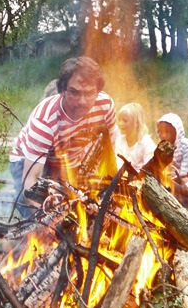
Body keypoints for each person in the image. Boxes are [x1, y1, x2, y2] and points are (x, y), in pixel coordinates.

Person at [9, 56, 117, 218]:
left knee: (74, 211)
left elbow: (109, 149)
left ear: (98, 91)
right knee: (40, 220)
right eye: (74, 92)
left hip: (66, 160)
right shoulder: (45, 120)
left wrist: (110, 186)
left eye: (89, 93)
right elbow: (30, 180)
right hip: (27, 163)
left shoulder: (105, 106)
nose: (82, 101)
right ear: (62, 90)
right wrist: (44, 222)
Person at [114, 102, 156, 170]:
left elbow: (150, 168)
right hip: (122, 178)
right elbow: (118, 165)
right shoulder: (119, 141)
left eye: (125, 120)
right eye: (119, 120)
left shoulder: (146, 143)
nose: (120, 123)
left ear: (137, 123)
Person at [155, 113, 188, 178]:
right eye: (161, 132)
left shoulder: (186, 146)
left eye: (167, 132)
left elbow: (185, 175)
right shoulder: (161, 148)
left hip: (183, 183)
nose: (163, 135)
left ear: (176, 132)